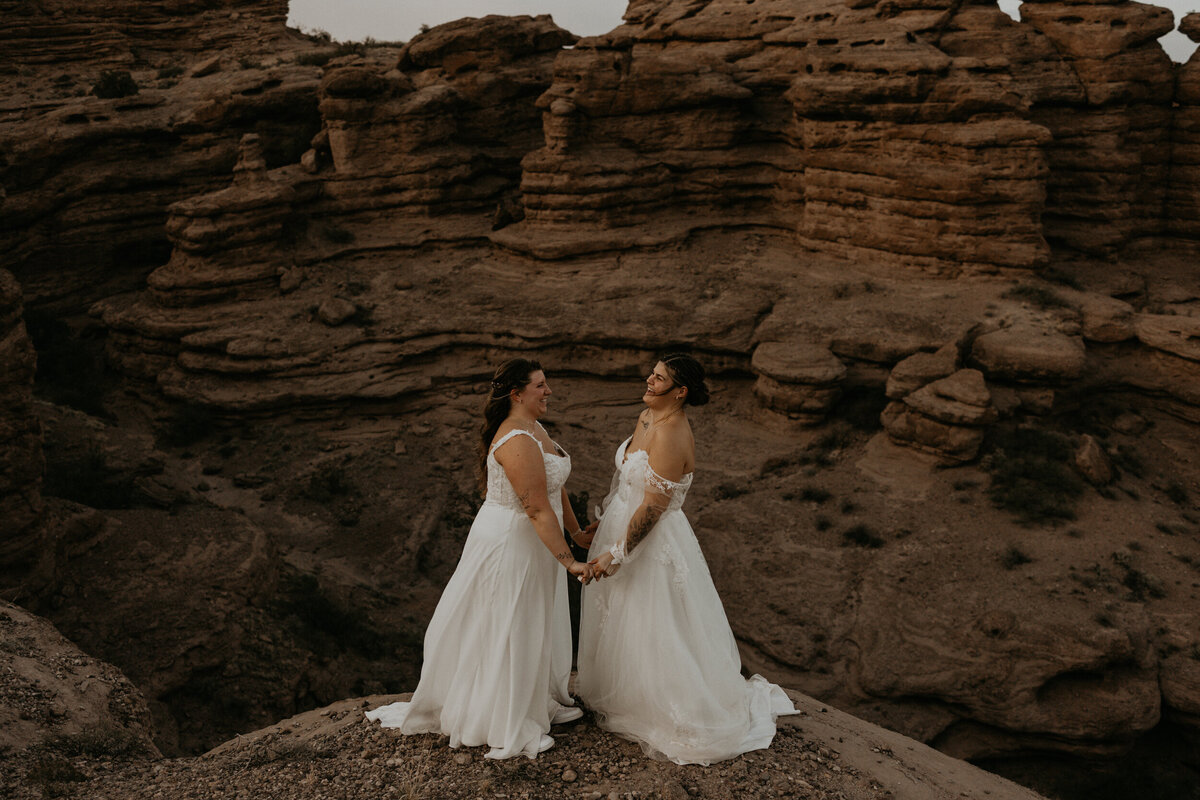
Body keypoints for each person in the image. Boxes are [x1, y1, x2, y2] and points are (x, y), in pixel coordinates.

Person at [366, 359, 594, 759]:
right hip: (512, 543)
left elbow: (554, 487)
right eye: (541, 385)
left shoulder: (535, 429)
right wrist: (570, 562)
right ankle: (504, 717)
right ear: (517, 394)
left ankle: (532, 698)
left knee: (529, 620)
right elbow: (537, 509)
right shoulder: (517, 440)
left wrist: (575, 534)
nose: (549, 391)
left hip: (536, 541)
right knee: (508, 623)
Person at [576, 354, 797, 765]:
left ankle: (664, 705)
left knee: (653, 620)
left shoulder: (672, 434)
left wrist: (619, 552)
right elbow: (627, 480)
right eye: (652, 373)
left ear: (680, 392)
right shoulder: (646, 416)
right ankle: (623, 690)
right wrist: (604, 521)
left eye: (659, 378)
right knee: (621, 614)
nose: (649, 379)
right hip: (621, 523)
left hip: (651, 540)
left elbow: (654, 507)